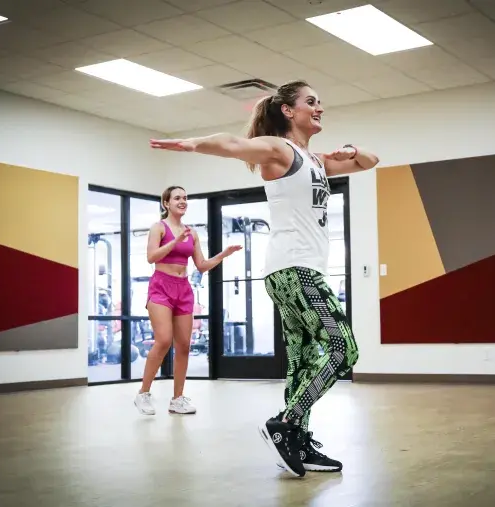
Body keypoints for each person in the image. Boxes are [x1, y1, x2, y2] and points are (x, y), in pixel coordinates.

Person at [149, 79, 379, 477]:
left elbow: (370, 162)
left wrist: (352, 151)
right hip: (294, 269)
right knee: (345, 349)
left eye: (320, 102)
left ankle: (299, 442)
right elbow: (233, 145)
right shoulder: (282, 149)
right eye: (311, 102)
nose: (319, 108)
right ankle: (287, 423)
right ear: (289, 111)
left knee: (306, 360)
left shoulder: (315, 160)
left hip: (293, 269)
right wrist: (190, 144)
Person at [134, 185, 241, 416]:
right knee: (163, 340)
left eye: (185, 198)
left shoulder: (191, 233)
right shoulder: (158, 228)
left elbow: (201, 265)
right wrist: (174, 241)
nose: (182, 201)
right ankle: (143, 393)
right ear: (166, 203)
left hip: (184, 289)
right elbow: (151, 257)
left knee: (184, 345)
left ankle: (177, 399)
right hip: (161, 287)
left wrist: (224, 254)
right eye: (177, 198)